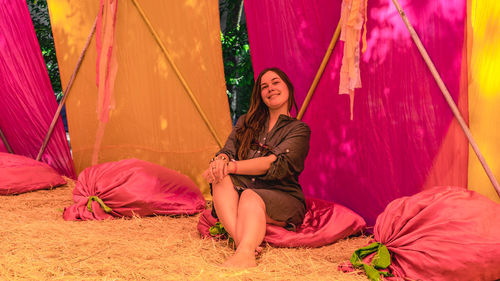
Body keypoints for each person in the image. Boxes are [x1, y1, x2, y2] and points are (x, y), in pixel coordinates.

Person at [202, 67, 311, 268]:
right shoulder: (246, 122)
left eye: (276, 82)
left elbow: (273, 164)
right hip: (244, 188)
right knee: (220, 176)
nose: (270, 88)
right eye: (264, 86)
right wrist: (220, 160)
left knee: (249, 195)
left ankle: (244, 254)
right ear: (260, 95)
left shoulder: (299, 129)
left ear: (288, 87)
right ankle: (243, 244)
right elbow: (228, 150)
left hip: (282, 195)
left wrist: (230, 166)